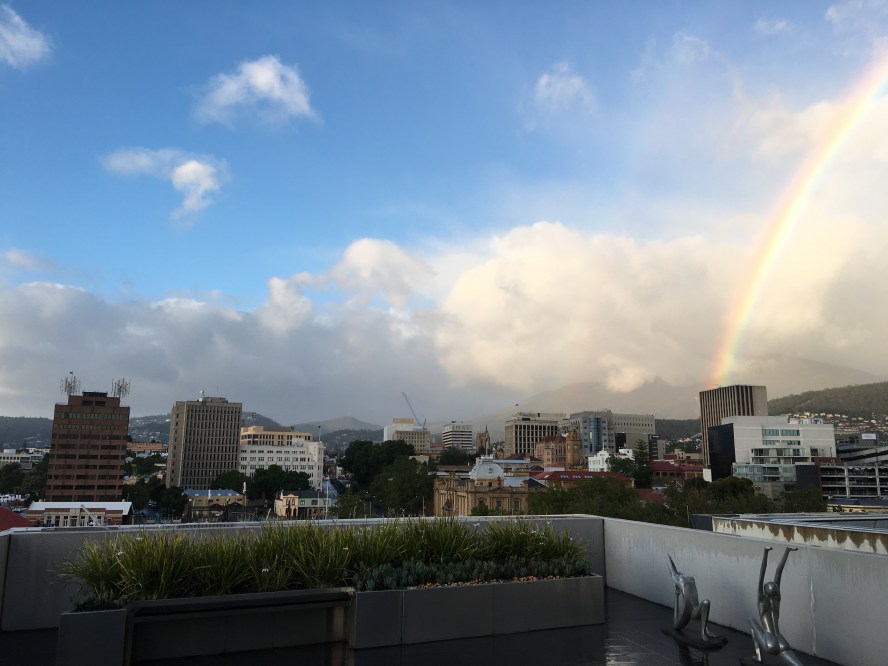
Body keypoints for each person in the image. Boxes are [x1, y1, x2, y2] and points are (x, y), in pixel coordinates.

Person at [748, 546, 803, 665]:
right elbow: (779, 572)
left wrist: (765, 553)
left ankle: (758, 656)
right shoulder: (776, 600)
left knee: (751, 620)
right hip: (781, 640)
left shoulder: (762, 601)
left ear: (765, 590)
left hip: (769, 641)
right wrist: (787, 551)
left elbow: (761, 575)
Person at [668, 555, 720, 643]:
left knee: (706, 602)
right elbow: (671, 569)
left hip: (694, 610)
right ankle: (704, 632)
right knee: (676, 625)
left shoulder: (691, 579)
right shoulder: (677, 580)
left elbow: (698, 602)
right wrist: (676, 596)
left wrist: (707, 630)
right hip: (685, 611)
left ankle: (704, 632)